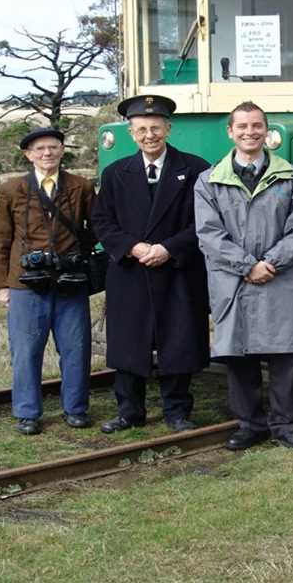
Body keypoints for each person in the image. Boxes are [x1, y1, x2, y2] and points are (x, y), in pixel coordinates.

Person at [195, 101, 293, 450]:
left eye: (257, 125)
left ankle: (286, 424)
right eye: (243, 126)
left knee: (284, 356)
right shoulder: (209, 181)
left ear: (267, 131)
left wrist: (271, 262)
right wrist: (247, 266)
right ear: (230, 132)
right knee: (239, 356)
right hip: (233, 282)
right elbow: (208, 234)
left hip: (280, 278)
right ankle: (249, 424)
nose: (250, 132)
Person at [91, 94, 210, 434]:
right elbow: (102, 221)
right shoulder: (116, 174)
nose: (149, 135)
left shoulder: (196, 169)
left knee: (178, 340)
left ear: (168, 129)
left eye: (155, 128)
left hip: (177, 271)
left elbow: (205, 221)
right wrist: (133, 247)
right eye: (141, 129)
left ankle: (177, 412)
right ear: (131, 133)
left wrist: (169, 249)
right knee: (128, 342)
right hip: (130, 271)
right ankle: (129, 411)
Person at [0, 127, 97, 435]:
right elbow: (1, 239)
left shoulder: (81, 186)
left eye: (53, 147)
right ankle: (27, 412)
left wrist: (80, 255)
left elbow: (97, 226)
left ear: (62, 150)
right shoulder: (12, 189)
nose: (47, 153)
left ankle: (76, 408)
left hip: (70, 281)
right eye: (39, 149)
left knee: (76, 348)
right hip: (25, 284)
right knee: (25, 350)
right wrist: (2, 285)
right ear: (28, 155)